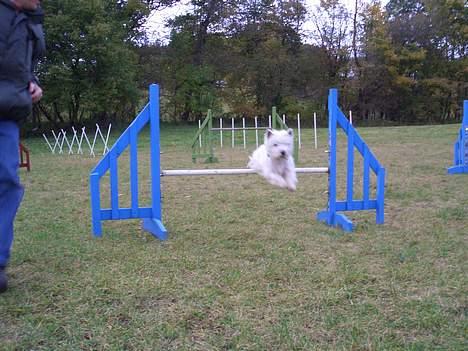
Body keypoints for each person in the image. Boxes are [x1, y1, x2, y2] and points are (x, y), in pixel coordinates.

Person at [0, 0, 45, 293]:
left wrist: (33, 83)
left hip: (8, 113)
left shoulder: (30, 21)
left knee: (7, 181)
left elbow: (20, 67)